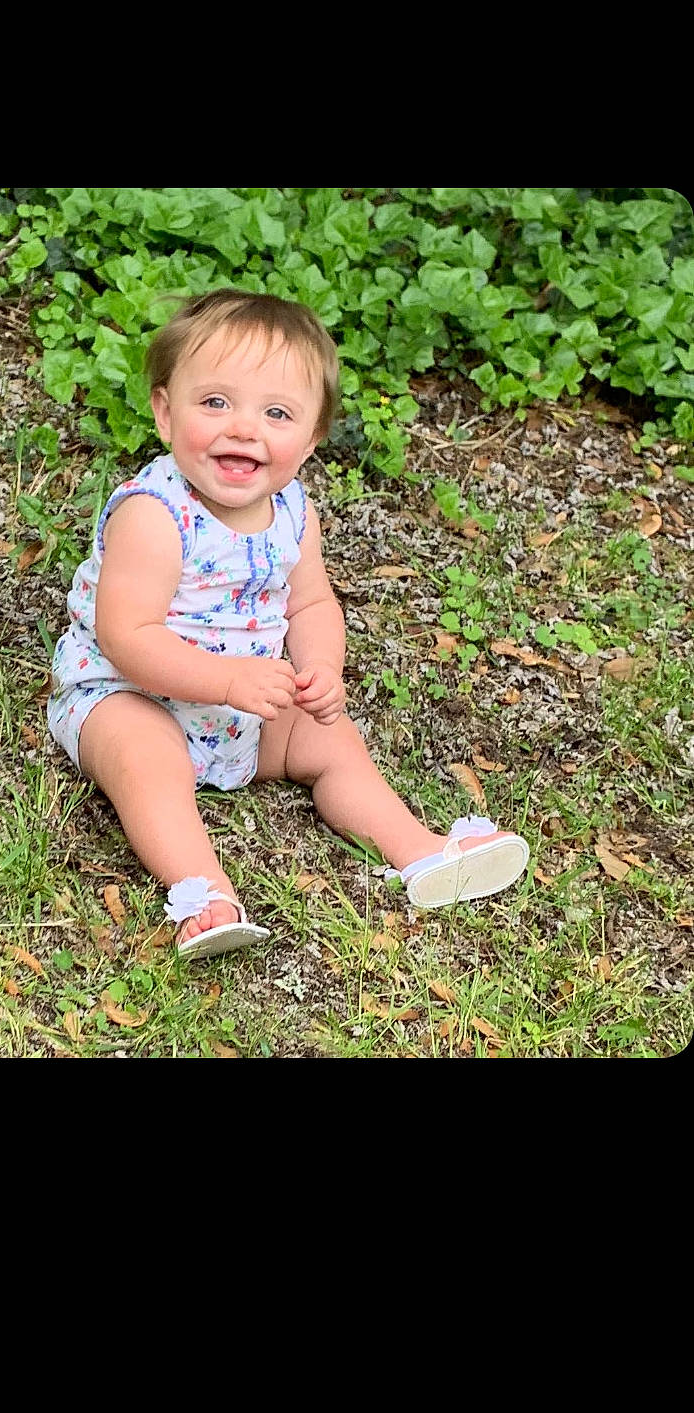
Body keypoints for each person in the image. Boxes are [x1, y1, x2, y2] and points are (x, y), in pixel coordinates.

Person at [47, 289, 529, 958]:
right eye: (215, 403)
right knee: (146, 755)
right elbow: (127, 637)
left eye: (276, 413)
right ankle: (203, 893)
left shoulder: (295, 513)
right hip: (126, 693)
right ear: (164, 411)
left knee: (332, 738)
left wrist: (321, 671)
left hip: (243, 708)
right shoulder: (154, 516)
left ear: (312, 436)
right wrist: (224, 679)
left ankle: (418, 851)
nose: (243, 428)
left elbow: (310, 604)